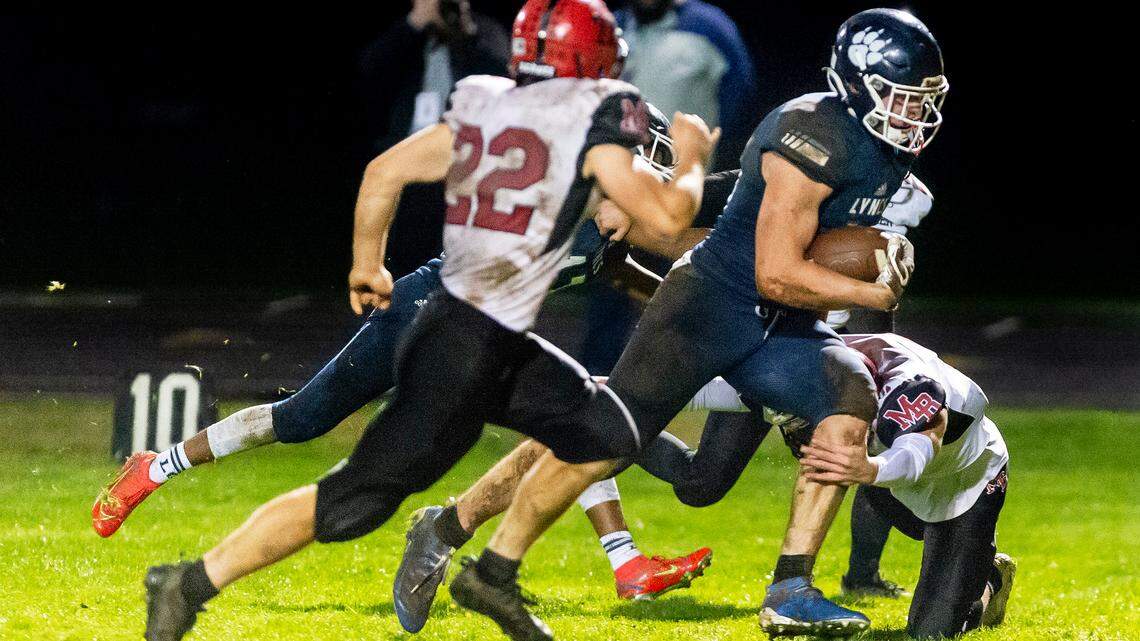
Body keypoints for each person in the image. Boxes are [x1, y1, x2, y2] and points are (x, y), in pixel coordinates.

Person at [138, 1, 719, 639]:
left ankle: (491, 576)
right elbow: (668, 217)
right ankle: (189, 583)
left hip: (484, 334)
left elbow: (383, 172)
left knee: (611, 433)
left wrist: (368, 265)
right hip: (462, 346)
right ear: (596, 59)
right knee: (352, 501)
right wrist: (691, 155)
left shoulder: (485, 107)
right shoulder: (590, 123)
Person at [450, 8, 945, 639]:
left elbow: (758, 211)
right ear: (857, 85)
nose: (914, 115)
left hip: (777, 325)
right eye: (902, 99)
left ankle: (791, 589)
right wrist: (867, 288)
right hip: (711, 305)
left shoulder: (884, 154)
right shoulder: (812, 136)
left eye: (924, 101)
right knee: (605, 439)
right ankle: (484, 564)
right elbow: (777, 273)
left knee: (851, 394)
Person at [666, 333, 1017, 640]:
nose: (798, 435)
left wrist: (870, 470)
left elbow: (918, 451)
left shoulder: (907, 387)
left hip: (965, 484)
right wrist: (619, 396)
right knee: (867, 475)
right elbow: (693, 390)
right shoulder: (808, 371)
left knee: (932, 631)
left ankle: (990, 581)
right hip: (886, 476)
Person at [615, 0, 758, 170]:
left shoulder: (709, 25)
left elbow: (740, 96)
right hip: (620, 170)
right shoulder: (612, 25)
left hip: (685, 169)